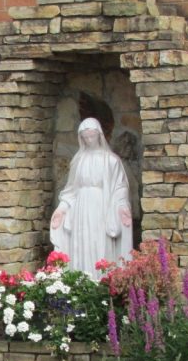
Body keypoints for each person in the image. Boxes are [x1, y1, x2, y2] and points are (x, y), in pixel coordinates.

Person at [49, 117, 133, 280]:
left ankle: (102, 279)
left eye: (92, 136)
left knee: (99, 241)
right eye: (85, 137)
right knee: (82, 243)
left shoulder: (111, 160)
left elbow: (120, 187)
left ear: (99, 135)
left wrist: (122, 205)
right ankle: (81, 279)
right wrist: (62, 208)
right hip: (81, 207)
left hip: (101, 206)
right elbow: (71, 189)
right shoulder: (78, 160)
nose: (89, 140)